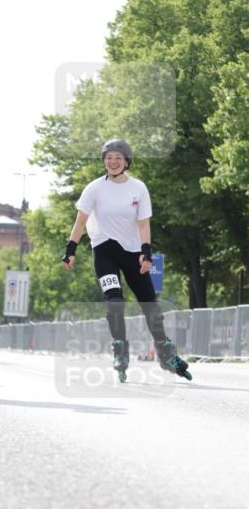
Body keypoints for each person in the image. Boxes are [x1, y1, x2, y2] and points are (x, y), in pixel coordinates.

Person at [62, 139, 192, 382]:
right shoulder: (94, 188)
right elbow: (80, 221)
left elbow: (143, 223)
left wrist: (146, 253)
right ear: (104, 161)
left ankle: (165, 352)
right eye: (109, 157)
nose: (112, 162)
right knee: (115, 300)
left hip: (133, 252)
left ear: (126, 162)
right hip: (103, 250)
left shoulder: (138, 188)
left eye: (118, 158)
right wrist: (70, 249)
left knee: (149, 304)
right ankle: (120, 351)